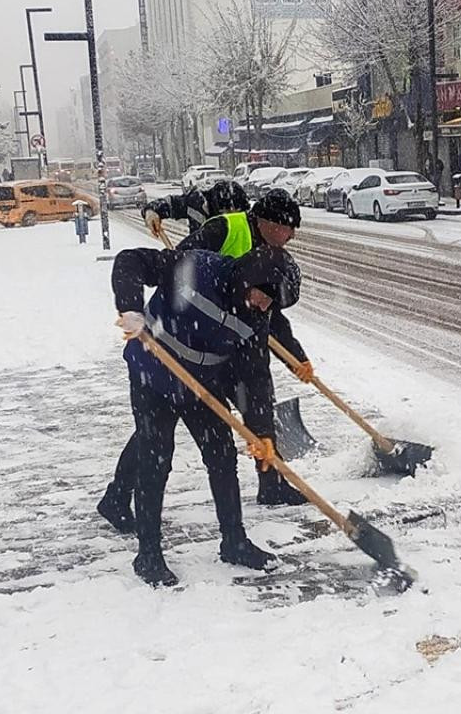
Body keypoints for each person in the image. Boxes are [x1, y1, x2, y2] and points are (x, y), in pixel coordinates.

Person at [98, 188, 311, 536]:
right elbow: (181, 264)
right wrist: (137, 307)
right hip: (183, 339)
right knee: (155, 434)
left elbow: (266, 315)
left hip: (222, 345)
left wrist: (296, 357)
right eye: (289, 229)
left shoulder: (270, 266)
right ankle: (119, 497)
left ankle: (269, 480)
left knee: (254, 402)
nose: (291, 237)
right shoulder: (225, 230)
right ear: (271, 223)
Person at [110, 245, 302, 586]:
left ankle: (234, 541)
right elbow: (131, 261)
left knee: (222, 456)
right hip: (153, 375)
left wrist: (262, 434)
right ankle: (149, 554)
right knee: (155, 458)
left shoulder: (255, 318)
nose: (264, 306)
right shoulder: (195, 267)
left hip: (201, 386)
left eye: (272, 304)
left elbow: (254, 378)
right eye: (264, 297)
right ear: (249, 279)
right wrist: (130, 306)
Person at [141, 179, 248, 236]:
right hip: (199, 265)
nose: (229, 216)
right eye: (224, 212)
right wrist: (152, 210)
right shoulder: (196, 203)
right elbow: (172, 203)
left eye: (235, 213)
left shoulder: (251, 219)